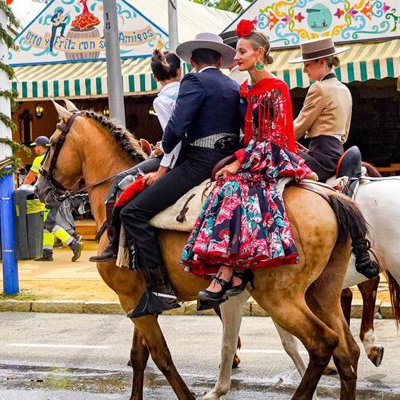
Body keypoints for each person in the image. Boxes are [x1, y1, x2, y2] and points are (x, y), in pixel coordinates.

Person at [181, 20, 314, 305]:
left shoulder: (275, 87)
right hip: (253, 151)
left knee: (236, 188)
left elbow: (273, 137)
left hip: (273, 154)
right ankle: (237, 271)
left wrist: (238, 162)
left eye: (242, 51)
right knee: (222, 184)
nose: (237, 57)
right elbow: (250, 134)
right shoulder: (246, 90)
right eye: (236, 52)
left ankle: (227, 270)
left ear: (260, 53)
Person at [120, 32, 243, 318]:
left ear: (190, 61)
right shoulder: (232, 84)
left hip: (199, 161)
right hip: (228, 158)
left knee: (133, 212)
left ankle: (160, 288)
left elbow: (176, 128)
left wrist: (162, 162)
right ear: (220, 60)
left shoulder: (194, 81)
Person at [90, 49, 183, 262]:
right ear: (180, 71)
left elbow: (174, 135)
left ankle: (114, 244)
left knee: (121, 182)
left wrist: (163, 161)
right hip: (189, 151)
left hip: (174, 158)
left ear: (154, 78)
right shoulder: (190, 91)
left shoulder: (161, 100)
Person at [291, 37, 351, 181]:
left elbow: (299, 126)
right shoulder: (344, 89)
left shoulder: (319, 88)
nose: (305, 70)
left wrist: (275, 138)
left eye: (307, 64)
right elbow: (344, 134)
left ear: (322, 61)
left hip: (320, 158)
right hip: (336, 155)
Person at [23, 136, 83, 262]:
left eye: (36, 146)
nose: (35, 149)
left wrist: (22, 190)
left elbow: (30, 178)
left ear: (40, 147)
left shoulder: (39, 159)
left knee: (49, 223)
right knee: (47, 222)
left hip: (47, 195)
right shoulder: (55, 157)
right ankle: (47, 252)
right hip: (58, 193)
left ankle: (73, 243)